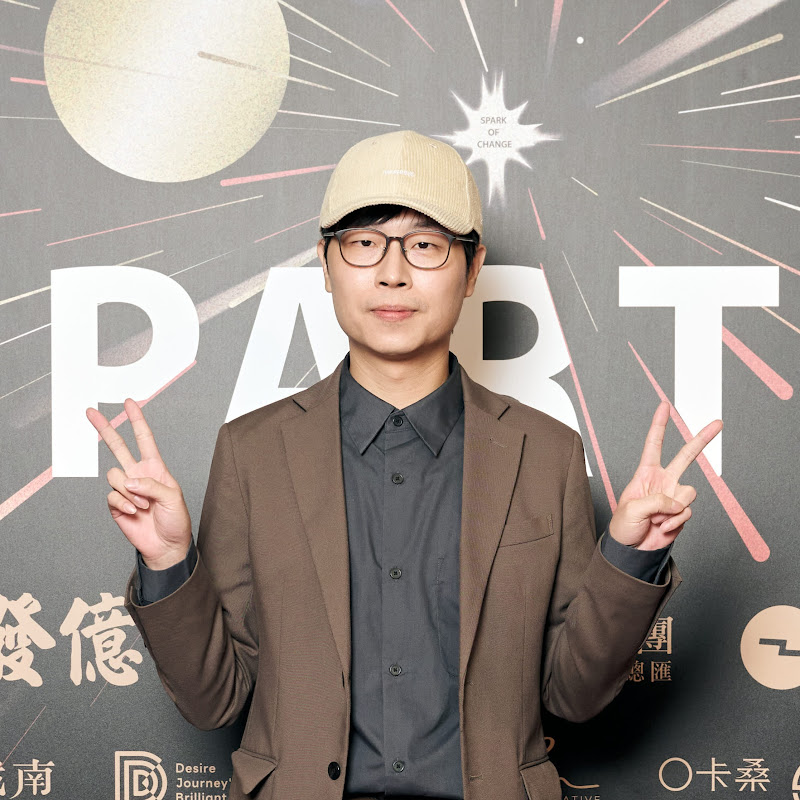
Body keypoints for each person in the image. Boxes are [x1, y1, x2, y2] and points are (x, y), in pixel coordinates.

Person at [87, 129, 722, 800]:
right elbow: (214, 700)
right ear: (326, 264)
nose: (393, 273)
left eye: (425, 245)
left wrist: (629, 559)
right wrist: (168, 563)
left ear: (472, 270)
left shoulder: (544, 452)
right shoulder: (253, 451)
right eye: (364, 243)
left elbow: (573, 694)